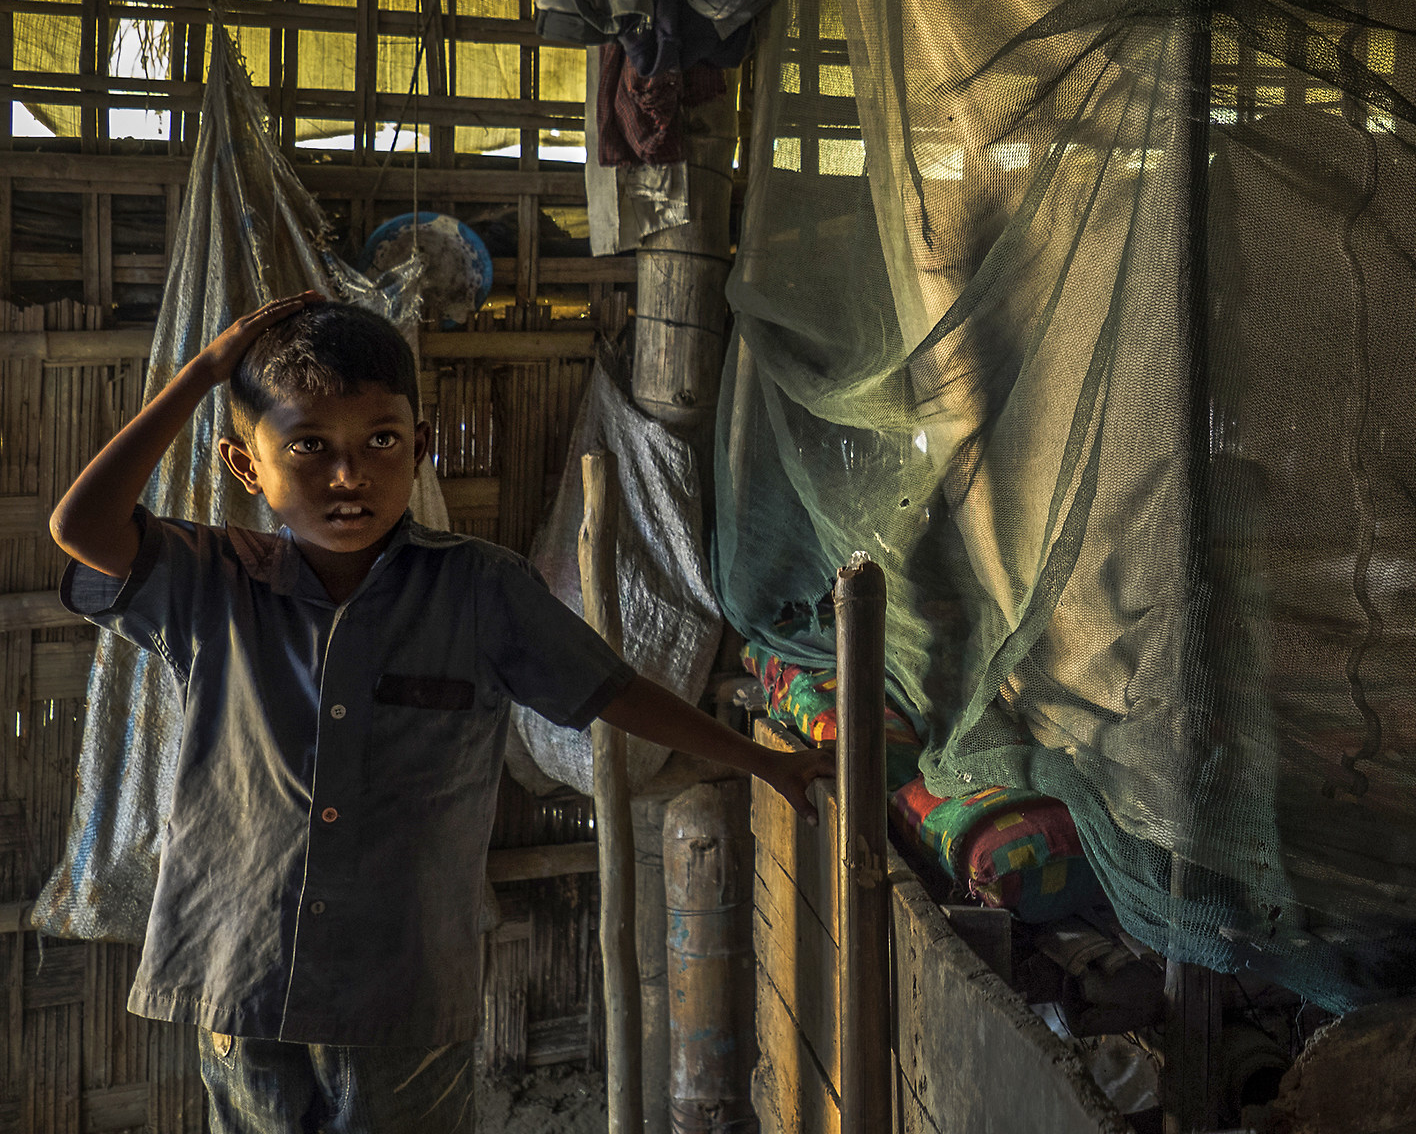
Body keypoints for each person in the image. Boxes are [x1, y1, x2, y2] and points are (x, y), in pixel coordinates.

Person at [47, 293, 833, 1133]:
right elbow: (80, 525)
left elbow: (613, 690)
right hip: (240, 981)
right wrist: (203, 372)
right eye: (309, 447)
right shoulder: (213, 581)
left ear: (420, 447)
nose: (349, 476)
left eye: (381, 442)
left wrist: (767, 763)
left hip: (402, 990)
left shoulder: (480, 588)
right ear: (247, 466)